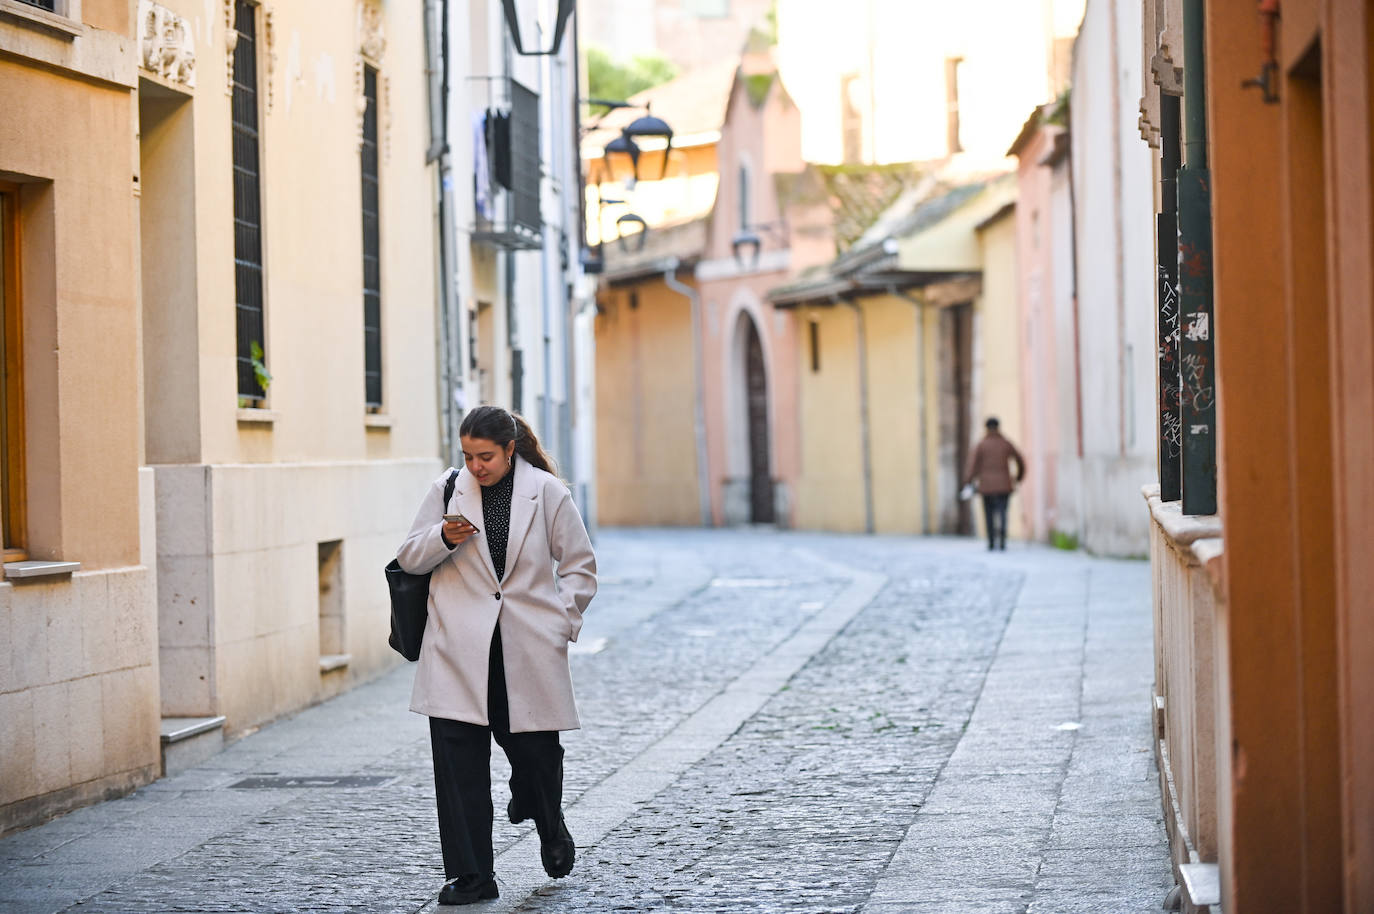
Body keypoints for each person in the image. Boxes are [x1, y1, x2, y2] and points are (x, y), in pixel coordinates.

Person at [395, 406, 597, 905]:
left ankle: (549, 823)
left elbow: (579, 566)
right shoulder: (448, 488)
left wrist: (560, 622)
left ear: (510, 450)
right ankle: (472, 875)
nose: (475, 466)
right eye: (468, 456)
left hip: (525, 648)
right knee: (458, 765)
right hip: (457, 651)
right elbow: (408, 556)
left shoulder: (548, 493)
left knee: (537, 757)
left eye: (485, 456)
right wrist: (444, 537)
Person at [962, 417, 1026, 551]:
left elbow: (972, 465)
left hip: (986, 486)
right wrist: (1018, 478)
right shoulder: (1006, 443)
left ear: (986, 428)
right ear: (998, 427)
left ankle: (991, 541)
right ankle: (1002, 539)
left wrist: (968, 481)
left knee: (989, 514)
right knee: (1003, 512)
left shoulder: (981, 445)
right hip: (1004, 485)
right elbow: (1020, 460)